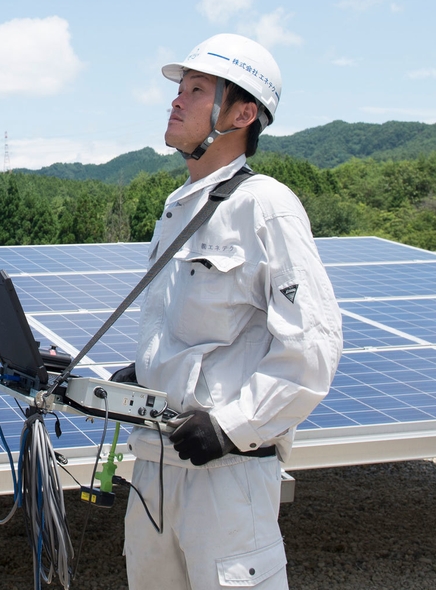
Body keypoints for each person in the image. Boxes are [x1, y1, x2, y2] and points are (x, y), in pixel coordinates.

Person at [121, 34, 342, 590]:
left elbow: (312, 350)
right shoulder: (178, 205)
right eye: (179, 88)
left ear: (242, 113)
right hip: (155, 466)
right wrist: (144, 375)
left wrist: (229, 427)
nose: (176, 100)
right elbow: (188, 333)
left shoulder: (265, 205)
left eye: (197, 90)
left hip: (226, 476)